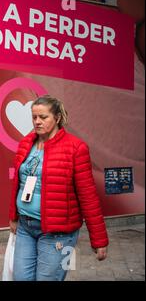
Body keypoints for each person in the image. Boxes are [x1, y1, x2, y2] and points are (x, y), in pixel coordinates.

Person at [8, 95, 108, 281]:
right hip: (25, 226)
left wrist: (99, 239)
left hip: (57, 232)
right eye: (34, 117)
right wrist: (14, 216)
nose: (37, 122)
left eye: (43, 117)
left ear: (57, 118)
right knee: (21, 278)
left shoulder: (75, 148)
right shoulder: (26, 143)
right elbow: (18, 185)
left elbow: (88, 196)